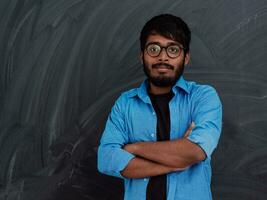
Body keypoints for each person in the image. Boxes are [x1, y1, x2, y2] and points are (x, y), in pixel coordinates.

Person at [97, 14, 222, 200]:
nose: (163, 57)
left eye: (173, 49)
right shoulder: (125, 103)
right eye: (154, 49)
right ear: (142, 56)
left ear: (186, 57)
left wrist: (135, 148)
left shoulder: (203, 97)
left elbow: (196, 151)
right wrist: (176, 163)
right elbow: (106, 159)